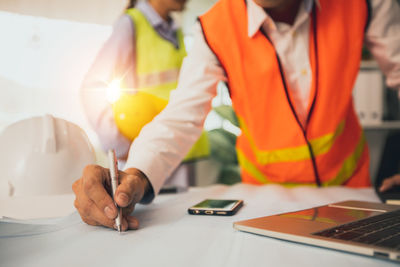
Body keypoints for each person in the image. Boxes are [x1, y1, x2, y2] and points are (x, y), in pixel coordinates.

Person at [73, 0, 400, 231]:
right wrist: (136, 175)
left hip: (350, 195)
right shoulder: (212, 29)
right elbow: (181, 115)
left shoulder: (366, 3)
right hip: (268, 205)